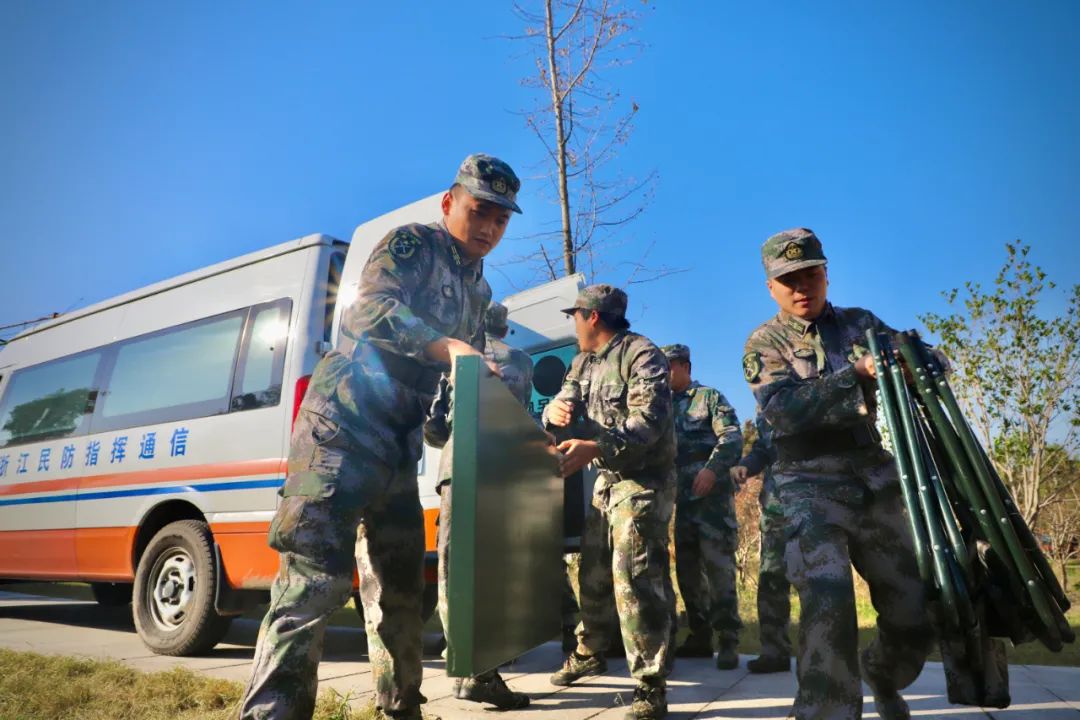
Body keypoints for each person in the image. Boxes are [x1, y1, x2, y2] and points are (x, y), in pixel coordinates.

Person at [238, 153, 522, 720]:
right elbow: (364, 311)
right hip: (341, 430)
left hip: (398, 445)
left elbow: (447, 385)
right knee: (313, 583)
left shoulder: (478, 292)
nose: (489, 226)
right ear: (450, 203)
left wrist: (459, 413)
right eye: (479, 211)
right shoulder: (412, 244)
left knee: (399, 593)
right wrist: (448, 347)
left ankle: (402, 709)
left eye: (501, 218)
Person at [743, 227, 933, 720]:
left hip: (874, 475)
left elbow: (929, 359)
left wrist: (918, 364)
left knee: (914, 608)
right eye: (789, 280)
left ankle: (884, 675)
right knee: (828, 603)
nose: (801, 287)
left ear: (826, 274)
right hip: (806, 482)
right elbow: (781, 410)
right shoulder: (764, 342)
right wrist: (859, 375)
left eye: (810, 274)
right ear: (771, 287)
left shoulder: (861, 324)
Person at [543, 284, 676, 720]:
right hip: (606, 483)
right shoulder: (583, 361)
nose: (574, 324)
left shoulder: (642, 354)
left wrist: (595, 447)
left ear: (592, 316)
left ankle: (650, 684)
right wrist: (554, 415)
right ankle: (591, 651)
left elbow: (649, 424)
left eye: (575, 316)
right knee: (595, 570)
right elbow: (563, 401)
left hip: (644, 480)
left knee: (633, 573)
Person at [423, 301, 532, 710]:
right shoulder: (521, 361)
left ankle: (467, 666)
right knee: (496, 570)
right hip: (504, 467)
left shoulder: (455, 358)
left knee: (456, 568)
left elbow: (433, 427)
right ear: (506, 328)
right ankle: (484, 667)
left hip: (459, 466)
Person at [661, 344, 744, 670]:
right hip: (683, 502)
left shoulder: (709, 398)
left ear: (685, 366)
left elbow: (733, 438)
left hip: (712, 502)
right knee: (688, 572)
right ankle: (699, 636)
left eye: (668, 367)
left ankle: (728, 641)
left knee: (719, 570)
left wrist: (712, 469)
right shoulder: (662, 405)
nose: (663, 375)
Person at [730, 412, 791, 674]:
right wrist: (747, 464)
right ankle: (774, 651)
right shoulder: (768, 402)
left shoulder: (824, 380)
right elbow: (764, 449)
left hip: (821, 502)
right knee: (771, 577)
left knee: (822, 579)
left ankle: (831, 657)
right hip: (777, 507)